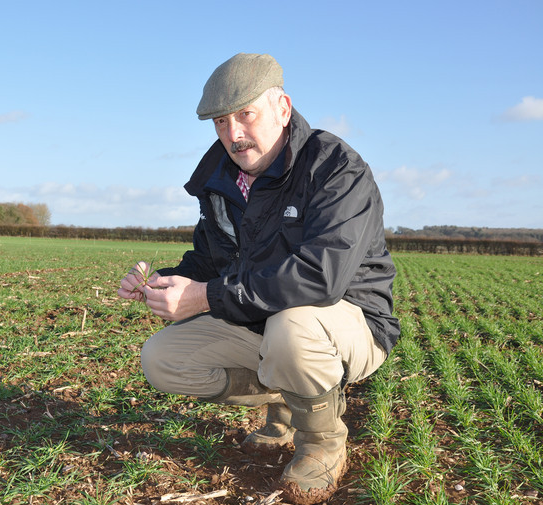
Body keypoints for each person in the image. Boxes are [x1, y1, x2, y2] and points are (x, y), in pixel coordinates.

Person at [118, 53, 399, 505]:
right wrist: (162, 282)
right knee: (162, 358)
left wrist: (206, 297)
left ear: (282, 108)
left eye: (245, 115)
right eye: (221, 123)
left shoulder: (336, 168)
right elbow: (210, 262)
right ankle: (288, 402)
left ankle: (321, 443)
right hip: (266, 323)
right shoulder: (221, 181)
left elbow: (320, 277)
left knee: (294, 328)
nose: (233, 134)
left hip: (350, 324)